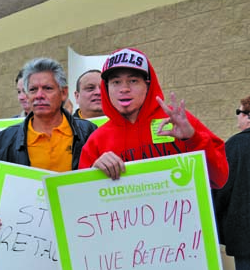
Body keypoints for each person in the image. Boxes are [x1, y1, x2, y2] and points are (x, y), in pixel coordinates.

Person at [0, 57, 97, 236]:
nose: (39, 95)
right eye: (33, 89)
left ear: (64, 92)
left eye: (48, 88)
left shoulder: (88, 133)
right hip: (30, 240)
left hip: (82, 230)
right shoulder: (6, 140)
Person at [77, 47, 228, 191]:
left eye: (133, 81)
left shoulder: (177, 122)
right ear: (107, 88)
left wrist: (193, 139)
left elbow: (219, 179)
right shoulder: (97, 141)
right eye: (116, 82)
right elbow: (82, 196)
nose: (124, 89)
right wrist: (93, 174)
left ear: (147, 85)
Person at [212, 95, 250, 270]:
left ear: (247, 116)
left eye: (239, 113)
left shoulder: (235, 146)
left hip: (244, 238)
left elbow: (220, 189)